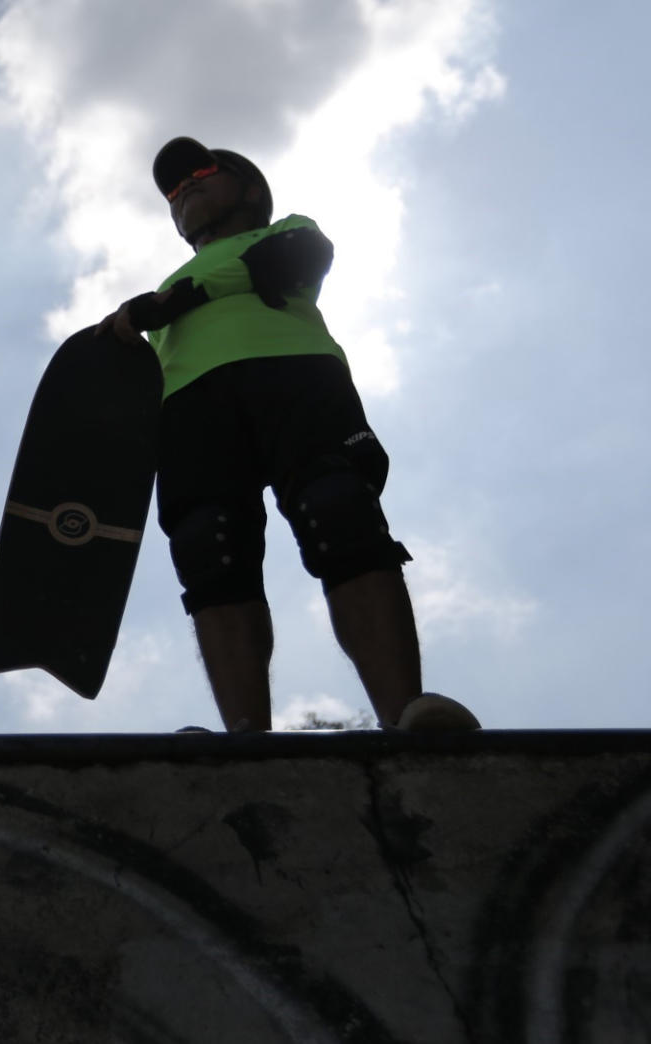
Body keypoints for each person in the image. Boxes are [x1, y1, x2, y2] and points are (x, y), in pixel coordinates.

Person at [96, 137, 479, 733]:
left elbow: (293, 258)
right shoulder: (157, 298)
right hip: (190, 407)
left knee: (339, 514)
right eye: (173, 190)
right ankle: (245, 739)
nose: (184, 187)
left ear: (251, 191)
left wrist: (171, 302)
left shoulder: (284, 231)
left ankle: (405, 716)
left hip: (297, 376)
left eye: (201, 171)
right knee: (208, 548)